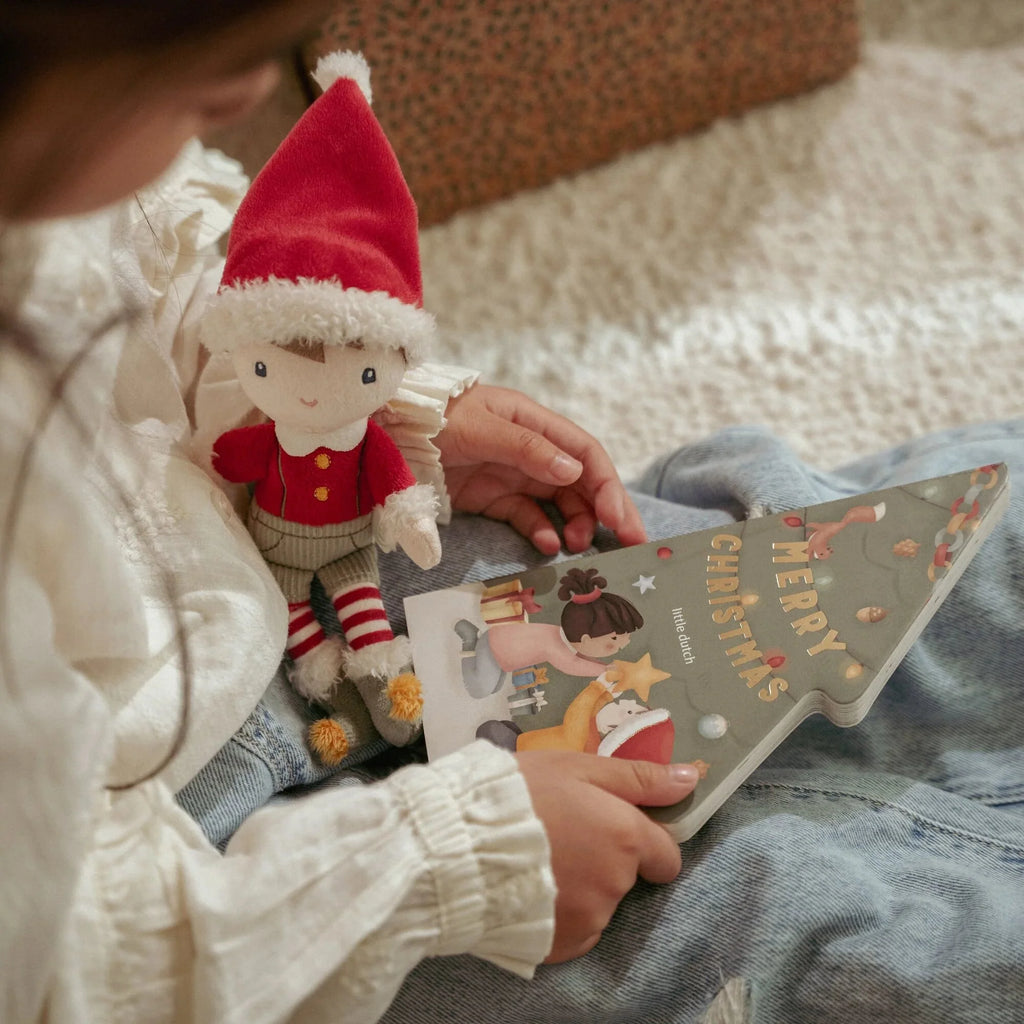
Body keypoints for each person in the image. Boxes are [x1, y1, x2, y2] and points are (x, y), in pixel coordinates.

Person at [3, 6, 1023, 1024]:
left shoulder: (50, 180)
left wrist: (350, 409)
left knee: (811, 557)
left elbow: (142, 280)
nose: (252, 94)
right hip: (227, 894)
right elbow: (56, 969)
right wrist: (441, 865)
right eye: (206, 70)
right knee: (768, 927)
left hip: (284, 543)